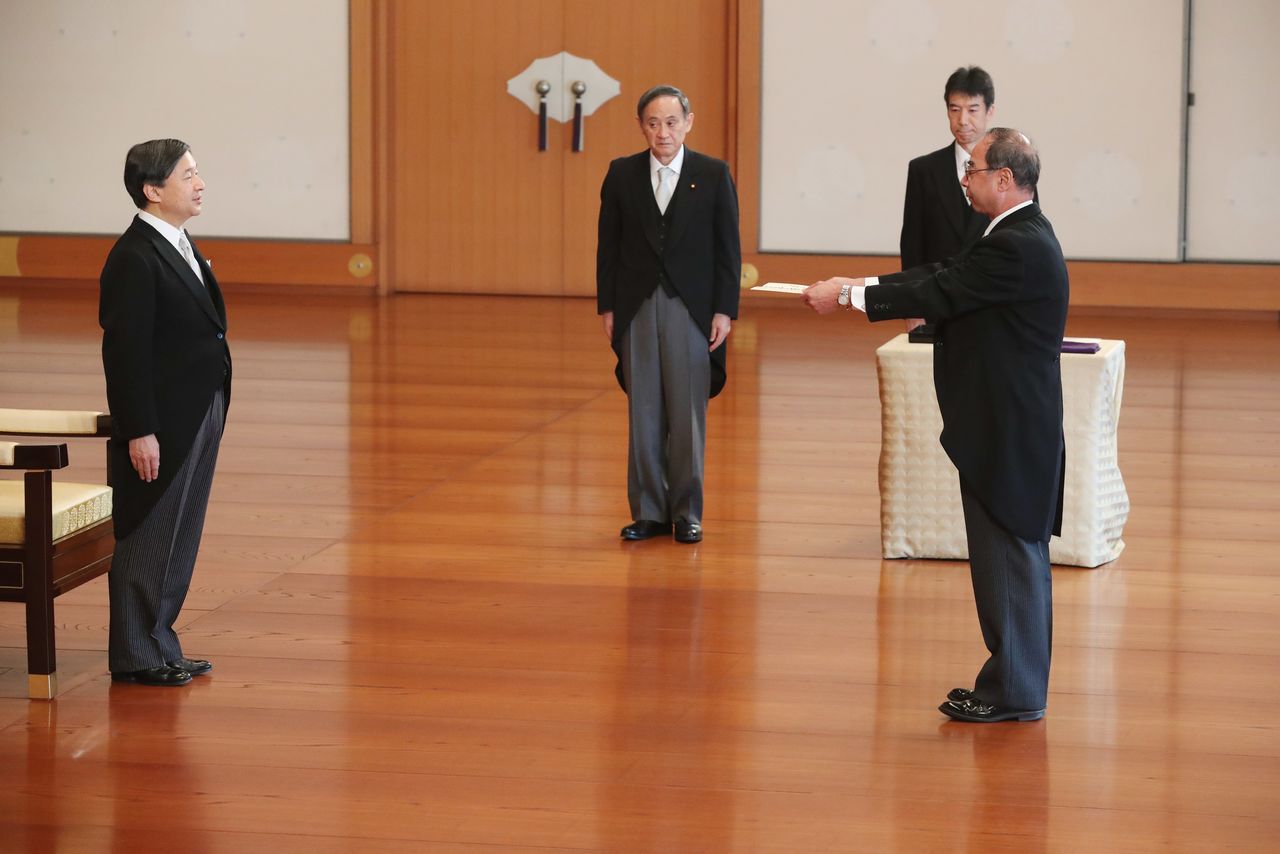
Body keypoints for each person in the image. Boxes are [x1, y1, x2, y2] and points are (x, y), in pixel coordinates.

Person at [803, 128, 1068, 723]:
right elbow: (943, 271)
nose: (963, 179)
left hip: (1008, 429)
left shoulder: (1018, 244)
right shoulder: (1010, 233)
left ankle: (1016, 692)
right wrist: (857, 285)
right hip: (1006, 424)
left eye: (971, 170)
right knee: (1007, 558)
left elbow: (942, 288)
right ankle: (1011, 681)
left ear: (1005, 178)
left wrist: (849, 296)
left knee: (1008, 558)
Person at [99, 139, 232, 686]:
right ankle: (135, 653)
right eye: (188, 176)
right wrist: (140, 431)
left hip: (199, 406)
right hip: (162, 420)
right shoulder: (133, 257)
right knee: (150, 529)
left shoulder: (178, 243)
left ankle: (161, 643)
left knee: (181, 530)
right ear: (153, 191)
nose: (200, 184)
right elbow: (124, 353)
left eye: (198, 173)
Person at [596, 84, 741, 544]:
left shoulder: (713, 174)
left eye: (672, 122)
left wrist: (724, 310)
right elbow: (608, 248)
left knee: (687, 414)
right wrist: (608, 307)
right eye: (653, 123)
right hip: (637, 304)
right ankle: (648, 512)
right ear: (641, 126)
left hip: (692, 308)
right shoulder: (622, 175)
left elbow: (727, 250)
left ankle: (687, 511)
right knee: (644, 413)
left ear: (689, 122)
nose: (663, 132)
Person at [899, 66, 996, 334]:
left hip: (994, 307)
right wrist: (911, 308)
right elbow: (913, 245)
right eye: (955, 109)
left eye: (973, 109)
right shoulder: (923, 170)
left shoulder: (1011, 169)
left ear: (990, 111)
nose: (963, 120)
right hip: (937, 306)